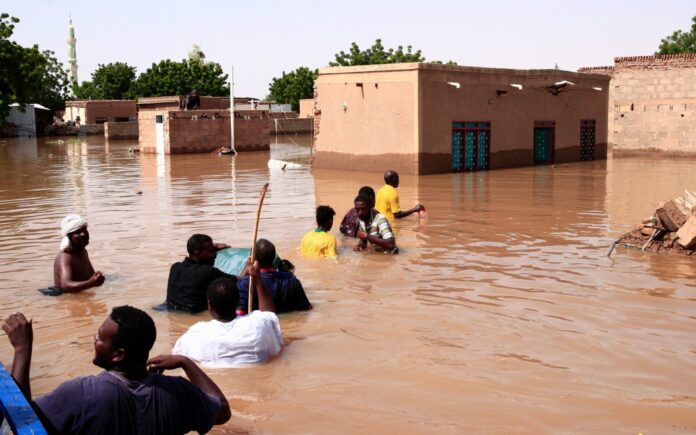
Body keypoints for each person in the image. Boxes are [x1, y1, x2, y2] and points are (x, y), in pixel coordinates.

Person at [2, 306, 231, 434]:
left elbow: (22, 426)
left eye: (100, 338)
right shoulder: (178, 392)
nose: (94, 339)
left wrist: (23, 350)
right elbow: (222, 411)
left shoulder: (81, 394)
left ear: (118, 355)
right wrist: (185, 362)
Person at [173, 261, 283, 367]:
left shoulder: (196, 333)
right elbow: (269, 315)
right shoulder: (257, 325)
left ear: (209, 305)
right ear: (238, 301)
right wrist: (258, 279)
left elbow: (178, 355)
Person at [236, 239, 311, 315]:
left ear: (253, 259)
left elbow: (239, 313)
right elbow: (306, 309)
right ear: (274, 257)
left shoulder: (245, 284)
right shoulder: (292, 280)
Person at [166, 234, 235, 313]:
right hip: (194, 314)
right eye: (210, 251)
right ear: (197, 253)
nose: (215, 255)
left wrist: (212, 248)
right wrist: (248, 264)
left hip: (169, 310)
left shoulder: (175, 267)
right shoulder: (207, 271)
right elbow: (239, 280)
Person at [51, 214, 104, 294]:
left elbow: (91, 276)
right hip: (65, 298)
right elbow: (65, 285)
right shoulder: (65, 257)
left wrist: (97, 278)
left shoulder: (82, 250)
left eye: (85, 230)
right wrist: (91, 283)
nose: (83, 234)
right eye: (78, 232)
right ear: (69, 236)